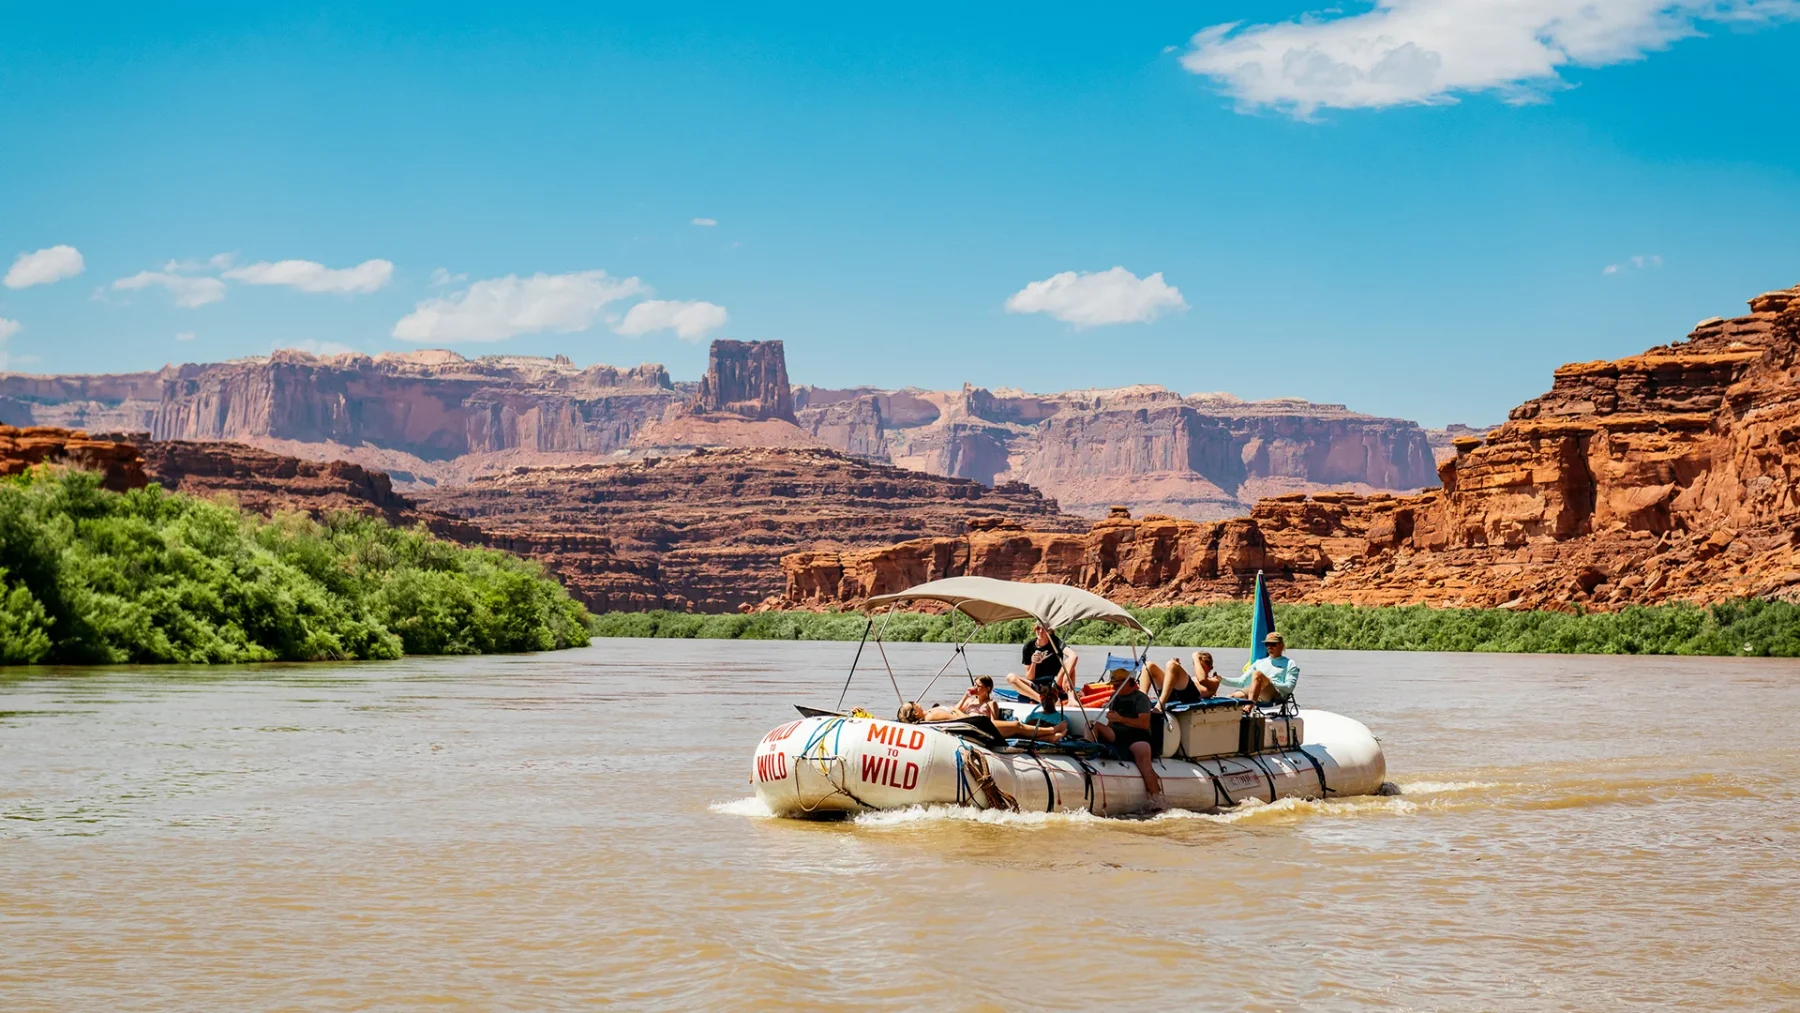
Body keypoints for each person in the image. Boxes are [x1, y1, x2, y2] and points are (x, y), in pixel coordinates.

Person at [1088, 665, 1163, 806]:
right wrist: (1110, 723)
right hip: (1116, 734)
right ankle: (1088, 755)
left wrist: (1120, 719)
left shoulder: (1140, 698)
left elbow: (1144, 724)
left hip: (1137, 737)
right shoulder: (1114, 697)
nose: (1113, 688)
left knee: (1144, 762)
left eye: (1116, 685)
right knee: (1091, 725)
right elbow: (1111, 721)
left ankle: (1156, 800)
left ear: (1127, 683)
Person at [1004, 622, 1079, 703]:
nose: (1040, 631)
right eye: (1038, 628)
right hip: (1037, 685)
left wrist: (1066, 677)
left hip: (1055, 682)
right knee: (1010, 677)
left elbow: (1073, 656)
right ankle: (1042, 700)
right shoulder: (1029, 646)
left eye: (1044, 629)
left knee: (1069, 663)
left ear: (1050, 631)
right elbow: (1029, 677)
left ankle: (1072, 699)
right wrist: (1033, 663)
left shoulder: (1055, 642)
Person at [1221, 632, 1300, 706]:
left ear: (1281, 645)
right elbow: (1241, 682)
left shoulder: (1290, 663)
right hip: (1256, 692)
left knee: (1257, 674)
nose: (1269, 647)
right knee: (1231, 697)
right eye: (1267, 644)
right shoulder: (1259, 663)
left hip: (1275, 694)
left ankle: (1249, 707)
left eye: (1273, 644)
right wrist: (1220, 679)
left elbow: (1289, 687)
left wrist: (1268, 682)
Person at [1140, 653, 1216, 711]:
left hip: (1191, 695)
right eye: (1197, 665)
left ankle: (1160, 704)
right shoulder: (1193, 678)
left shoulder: (1215, 680)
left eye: (1201, 666)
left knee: (1172, 665)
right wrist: (1174, 669)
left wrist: (1195, 657)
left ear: (1210, 668)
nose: (1198, 668)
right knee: (1148, 666)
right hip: (1174, 692)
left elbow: (1202, 679)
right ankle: (1140, 702)